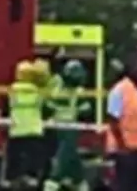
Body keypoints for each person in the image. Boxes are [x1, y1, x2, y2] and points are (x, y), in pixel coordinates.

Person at [44, 60, 94, 191]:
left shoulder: (59, 87)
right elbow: (86, 109)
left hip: (60, 125)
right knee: (65, 153)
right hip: (65, 126)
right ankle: (53, 181)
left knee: (71, 153)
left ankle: (80, 181)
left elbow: (86, 109)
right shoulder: (60, 88)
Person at [106, 57, 137, 191]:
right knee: (125, 184)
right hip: (125, 148)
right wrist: (121, 145)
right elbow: (113, 119)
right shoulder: (119, 90)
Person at [6, 60, 46, 189]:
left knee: (14, 163)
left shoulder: (12, 89)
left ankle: (13, 181)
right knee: (32, 165)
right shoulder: (38, 91)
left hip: (17, 129)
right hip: (34, 130)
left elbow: (8, 106)